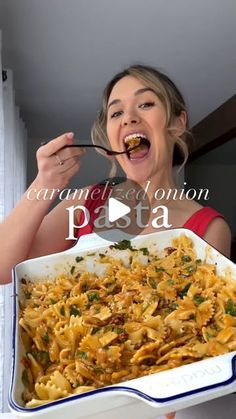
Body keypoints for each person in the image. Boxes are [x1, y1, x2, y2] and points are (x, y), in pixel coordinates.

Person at [0, 64, 231, 418]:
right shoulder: (86, 202)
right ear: (108, 138)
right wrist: (43, 184)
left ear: (178, 123)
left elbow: (204, 347)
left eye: (146, 104)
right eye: (116, 112)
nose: (128, 118)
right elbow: (3, 266)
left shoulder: (207, 228)